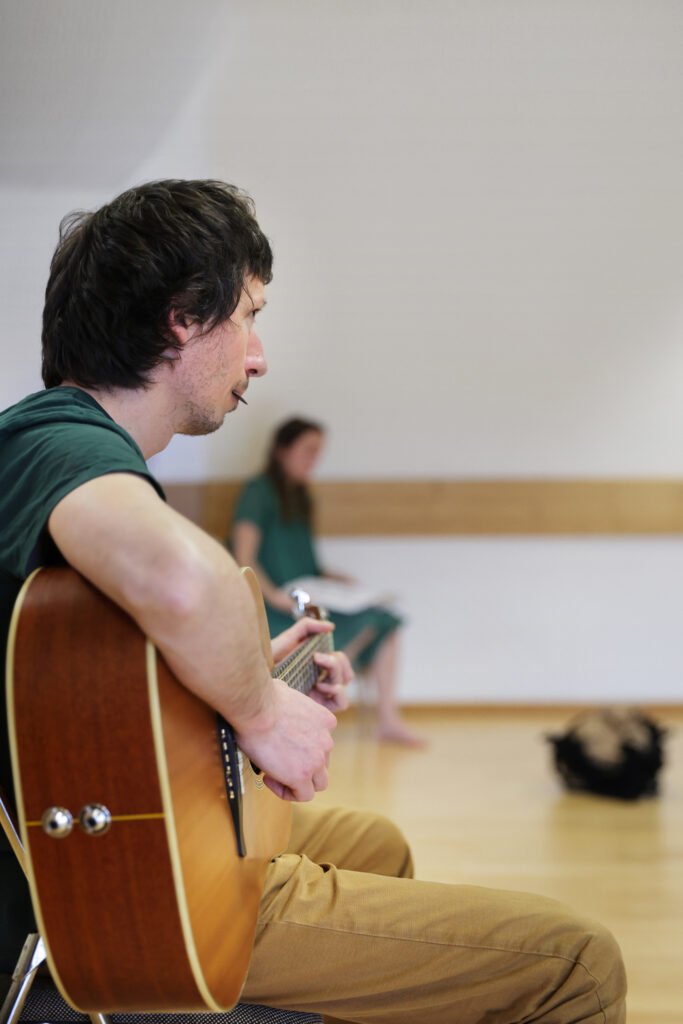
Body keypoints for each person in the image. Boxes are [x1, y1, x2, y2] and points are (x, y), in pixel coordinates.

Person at [0, 179, 626, 1023]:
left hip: (109, 837)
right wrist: (260, 710)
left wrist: (254, 675)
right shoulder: (53, 440)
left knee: (376, 842)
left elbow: (89, 700)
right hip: (104, 894)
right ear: (181, 318)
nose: (258, 357)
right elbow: (180, 579)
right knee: (578, 966)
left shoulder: (61, 449)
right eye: (248, 316)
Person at [232, 417, 424, 745]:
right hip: (273, 606)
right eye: (308, 450)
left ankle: (387, 719)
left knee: (385, 620)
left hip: (304, 596)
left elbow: (304, 561)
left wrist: (336, 579)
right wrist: (274, 596)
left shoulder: (302, 498)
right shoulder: (257, 492)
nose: (314, 459)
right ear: (282, 450)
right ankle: (307, 709)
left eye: (318, 452)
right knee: (327, 631)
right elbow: (244, 558)